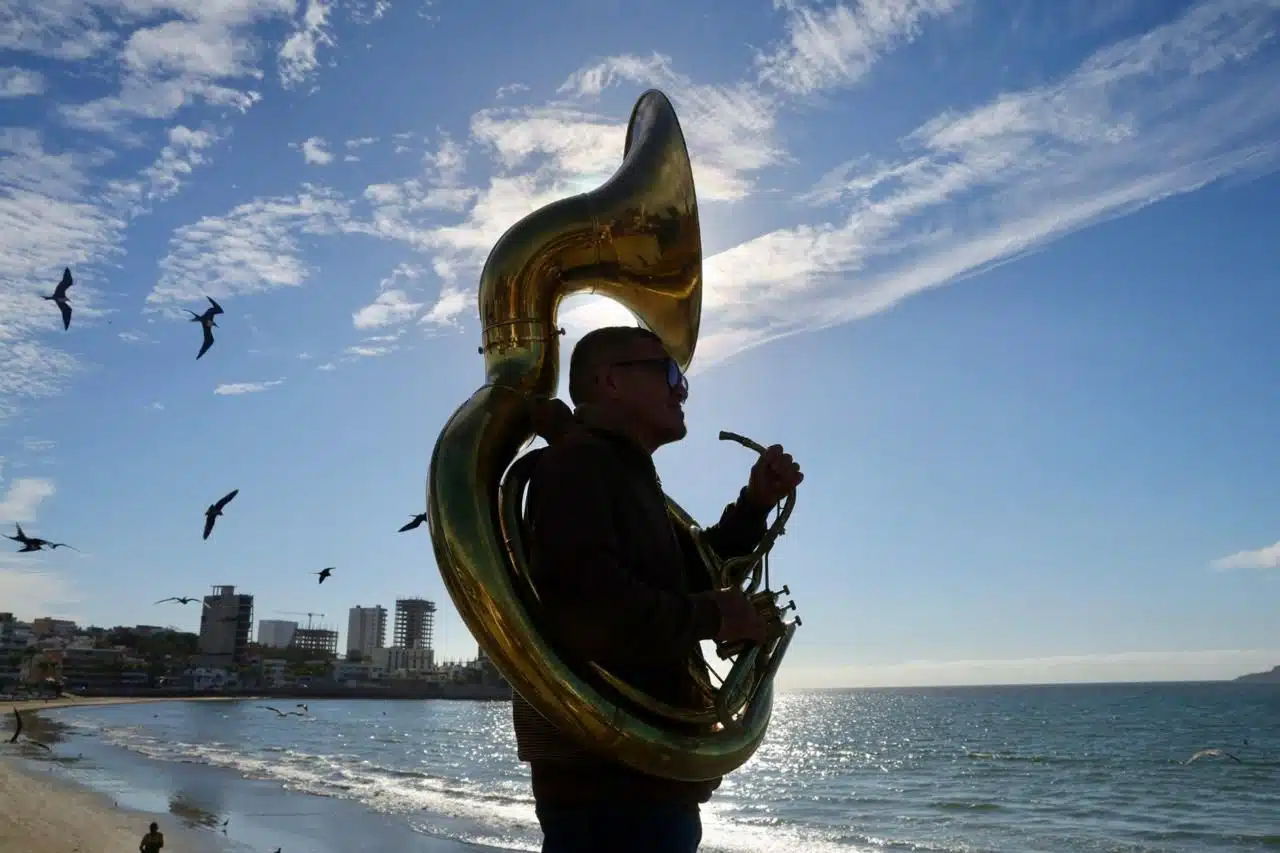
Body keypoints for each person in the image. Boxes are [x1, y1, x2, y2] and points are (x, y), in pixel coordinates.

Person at [513, 325, 804, 853]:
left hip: (636, 786)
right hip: (610, 792)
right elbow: (591, 613)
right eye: (668, 373)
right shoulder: (580, 464)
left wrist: (757, 502)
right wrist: (715, 618)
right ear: (611, 382)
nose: (681, 390)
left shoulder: (620, 470)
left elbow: (695, 569)